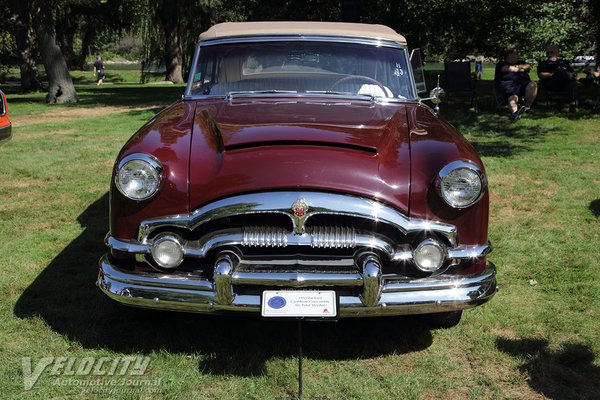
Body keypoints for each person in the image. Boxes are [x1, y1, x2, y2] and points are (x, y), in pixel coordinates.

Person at [494, 48, 538, 120]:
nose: (518, 55)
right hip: (508, 85)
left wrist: (517, 67)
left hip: (523, 84)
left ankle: (527, 108)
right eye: (516, 53)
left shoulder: (521, 61)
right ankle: (515, 112)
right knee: (513, 97)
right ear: (509, 55)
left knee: (533, 84)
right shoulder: (501, 64)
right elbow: (508, 68)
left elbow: (528, 66)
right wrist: (520, 68)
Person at [538, 45, 578, 113]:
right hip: (551, 83)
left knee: (571, 82)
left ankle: (572, 105)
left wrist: (570, 74)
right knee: (560, 71)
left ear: (556, 52)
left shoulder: (563, 62)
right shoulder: (544, 63)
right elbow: (541, 75)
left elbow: (573, 73)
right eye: (548, 52)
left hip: (565, 83)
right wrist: (554, 74)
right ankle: (582, 80)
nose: (549, 54)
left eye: (551, 52)